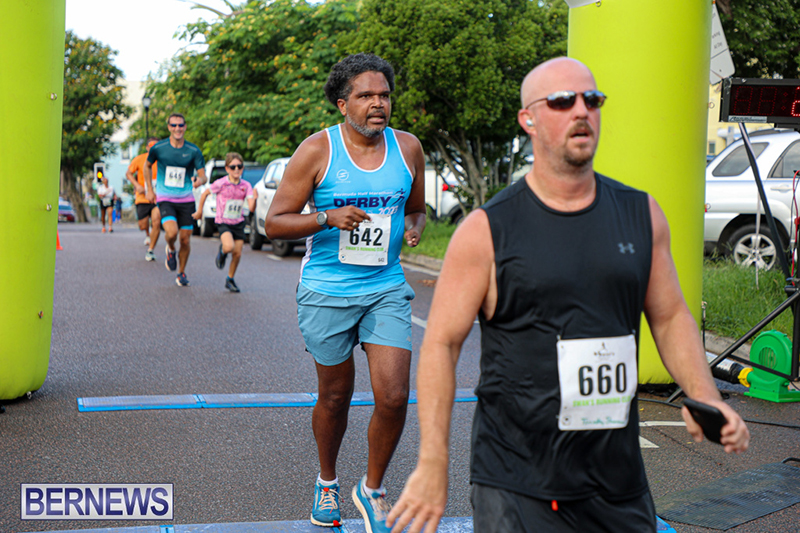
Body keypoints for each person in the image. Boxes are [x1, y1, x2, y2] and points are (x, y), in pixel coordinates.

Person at [387, 57, 751, 533]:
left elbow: (669, 317)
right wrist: (433, 461)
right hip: (516, 481)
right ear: (529, 119)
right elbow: (441, 344)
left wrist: (706, 397)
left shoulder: (642, 214)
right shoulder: (486, 230)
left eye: (591, 100)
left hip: (616, 479)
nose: (581, 111)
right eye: (562, 101)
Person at [265, 52, 426, 532]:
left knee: (394, 396)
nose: (378, 104)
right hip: (326, 290)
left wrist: (414, 227)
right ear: (342, 103)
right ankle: (327, 481)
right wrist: (326, 217)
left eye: (385, 95)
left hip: (385, 287)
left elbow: (416, 208)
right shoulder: (317, 151)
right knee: (335, 397)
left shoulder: (408, 148)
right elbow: (275, 223)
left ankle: (372, 489)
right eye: (366, 96)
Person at [145, 113, 207, 287]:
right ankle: (171, 249)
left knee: (185, 240)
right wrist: (149, 189)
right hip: (166, 198)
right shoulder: (159, 148)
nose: (177, 128)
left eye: (180, 125)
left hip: (186, 199)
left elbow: (203, 175)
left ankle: (181, 273)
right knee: (172, 233)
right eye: (174, 125)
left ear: (185, 127)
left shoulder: (193, 150)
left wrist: (199, 180)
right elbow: (147, 166)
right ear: (169, 127)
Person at [193, 152, 255, 292]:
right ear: (227, 169)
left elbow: (251, 207)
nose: (236, 169)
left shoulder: (246, 185)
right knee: (228, 247)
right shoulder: (221, 183)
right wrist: (199, 211)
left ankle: (230, 279)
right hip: (224, 221)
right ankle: (222, 251)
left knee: (237, 253)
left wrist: (254, 199)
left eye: (239, 166)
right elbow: (205, 193)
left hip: (238, 222)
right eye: (233, 167)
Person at [127, 137, 161, 261]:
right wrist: (137, 185)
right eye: (151, 146)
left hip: (158, 197)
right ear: (147, 147)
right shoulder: (140, 159)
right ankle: (147, 232)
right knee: (143, 224)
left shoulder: (163, 160)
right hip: (142, 197)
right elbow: (128, 173)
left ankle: (150, 250)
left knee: (156, 221)